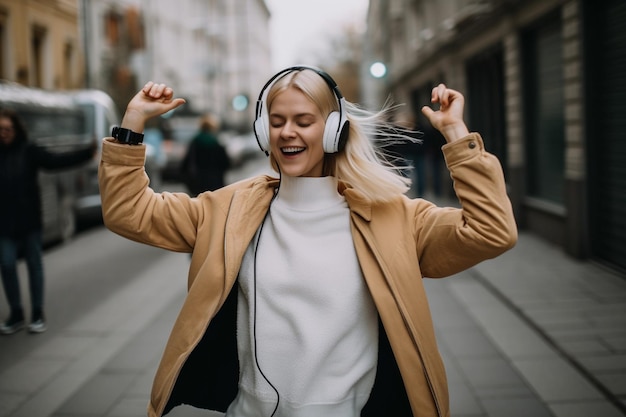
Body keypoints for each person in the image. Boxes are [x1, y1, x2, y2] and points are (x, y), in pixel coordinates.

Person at [98, 66, 517, 417]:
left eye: (303, 121)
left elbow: (491, 231)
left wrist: (458, 138)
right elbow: (128, 212)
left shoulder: (394, 217)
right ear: (263, 131)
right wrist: (133, 121)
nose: (287, 133)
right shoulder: (226, 209)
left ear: (333, 129)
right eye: (276, 121)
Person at [0, 108, 96, 335]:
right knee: (6, 264)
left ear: (16, 129)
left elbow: (56, 161)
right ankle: (15, 313)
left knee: (34, 264)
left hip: (29, 220)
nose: (4, 133)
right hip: (3, 223)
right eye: (0, 129)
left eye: (8, 129)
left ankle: (37, 313)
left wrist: (86, 153)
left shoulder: (29, 151)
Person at [179, 113, 230, 195]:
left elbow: (186, 163)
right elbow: (226, 164)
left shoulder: (195, 142)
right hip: (215, 182)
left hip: (198, 182)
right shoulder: (217, 143)